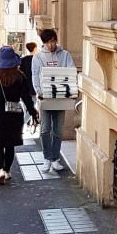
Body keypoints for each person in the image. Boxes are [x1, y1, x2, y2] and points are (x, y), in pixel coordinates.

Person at [0, 45, 38, 185]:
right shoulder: (20, 76)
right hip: (14, 114)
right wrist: (33, 112)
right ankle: (8, 170)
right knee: (10, 144)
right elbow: (26, 98)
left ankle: (0, 170)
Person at [31, 28, 74, 173]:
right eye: (47, 42)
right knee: (44, 129)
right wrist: (38, 91)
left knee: (58, 130)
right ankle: (46, 158)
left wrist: (71, 90)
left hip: (60, 96)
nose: (50, 45)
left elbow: (71, 71)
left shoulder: (65, 54)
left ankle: (55, 158)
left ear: (56, 40)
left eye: (52, 41)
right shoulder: (37, 57)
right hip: (44, 97)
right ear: (43, 43)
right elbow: (35, 75)